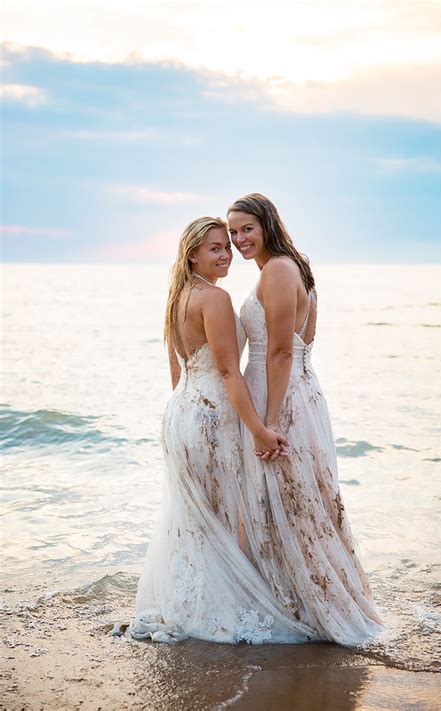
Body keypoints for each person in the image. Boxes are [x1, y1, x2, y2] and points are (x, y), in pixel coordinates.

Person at [125, 216, 322, 644]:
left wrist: (189, 416)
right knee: (220, 514)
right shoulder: (214, 298)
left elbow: (177, 370)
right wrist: (258, 429)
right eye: (216, 247)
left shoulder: (179, 295)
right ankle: (212, 611)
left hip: (182, 413)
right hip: (211, 417)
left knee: (198, 518)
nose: (226, 253)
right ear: (193, 253)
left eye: (227, 246)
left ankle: (185, 601)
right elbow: (230, 372)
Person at [227, 194, 383, 645]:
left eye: (246, 230)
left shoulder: (278, 270)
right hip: (296, 390)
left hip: (282, 397)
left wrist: (267, 424)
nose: (239, 240)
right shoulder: (289, 266)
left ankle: (305, 609)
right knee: (293, 504)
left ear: (267, 225)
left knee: (284, 501)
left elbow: (279, 351)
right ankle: (299, 600)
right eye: (233, 232)